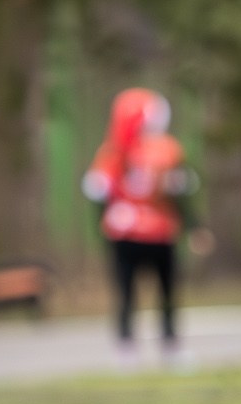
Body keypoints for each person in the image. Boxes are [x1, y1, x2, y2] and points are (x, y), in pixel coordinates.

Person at [81, 88, 193, 362]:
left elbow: (181, 188)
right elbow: (97, 188)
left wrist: (188, 217)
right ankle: (126, 341)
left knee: (166, 289)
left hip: (161, 232)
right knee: (126, 290)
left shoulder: (167, 148)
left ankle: (169, 340)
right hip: (126, 234)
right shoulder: (113, 152)